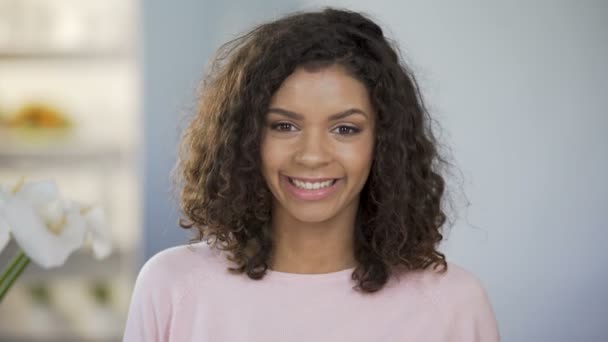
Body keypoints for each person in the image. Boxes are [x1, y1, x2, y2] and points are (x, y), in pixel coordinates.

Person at [123, 7, 500, 341]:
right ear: (246, 139)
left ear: (383, 143)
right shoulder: (172, 287)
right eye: (284, 126)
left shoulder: (452, 306)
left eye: (345, 129)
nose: (312, 156)